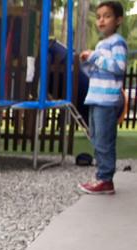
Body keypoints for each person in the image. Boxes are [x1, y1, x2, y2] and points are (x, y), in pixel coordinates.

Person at [79, 1, 127, 195]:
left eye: (107, 16)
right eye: (98, 17)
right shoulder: (101, 43)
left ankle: (106, 179)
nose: (101, 20)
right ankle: (101, 177)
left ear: (118, 20)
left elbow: (119, 67)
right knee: (97, 139)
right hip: (96, 98)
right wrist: (88, 60)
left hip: (107, 100)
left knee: (105, 140)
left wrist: (94, 58)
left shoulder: (117, 41)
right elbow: (99, 69)